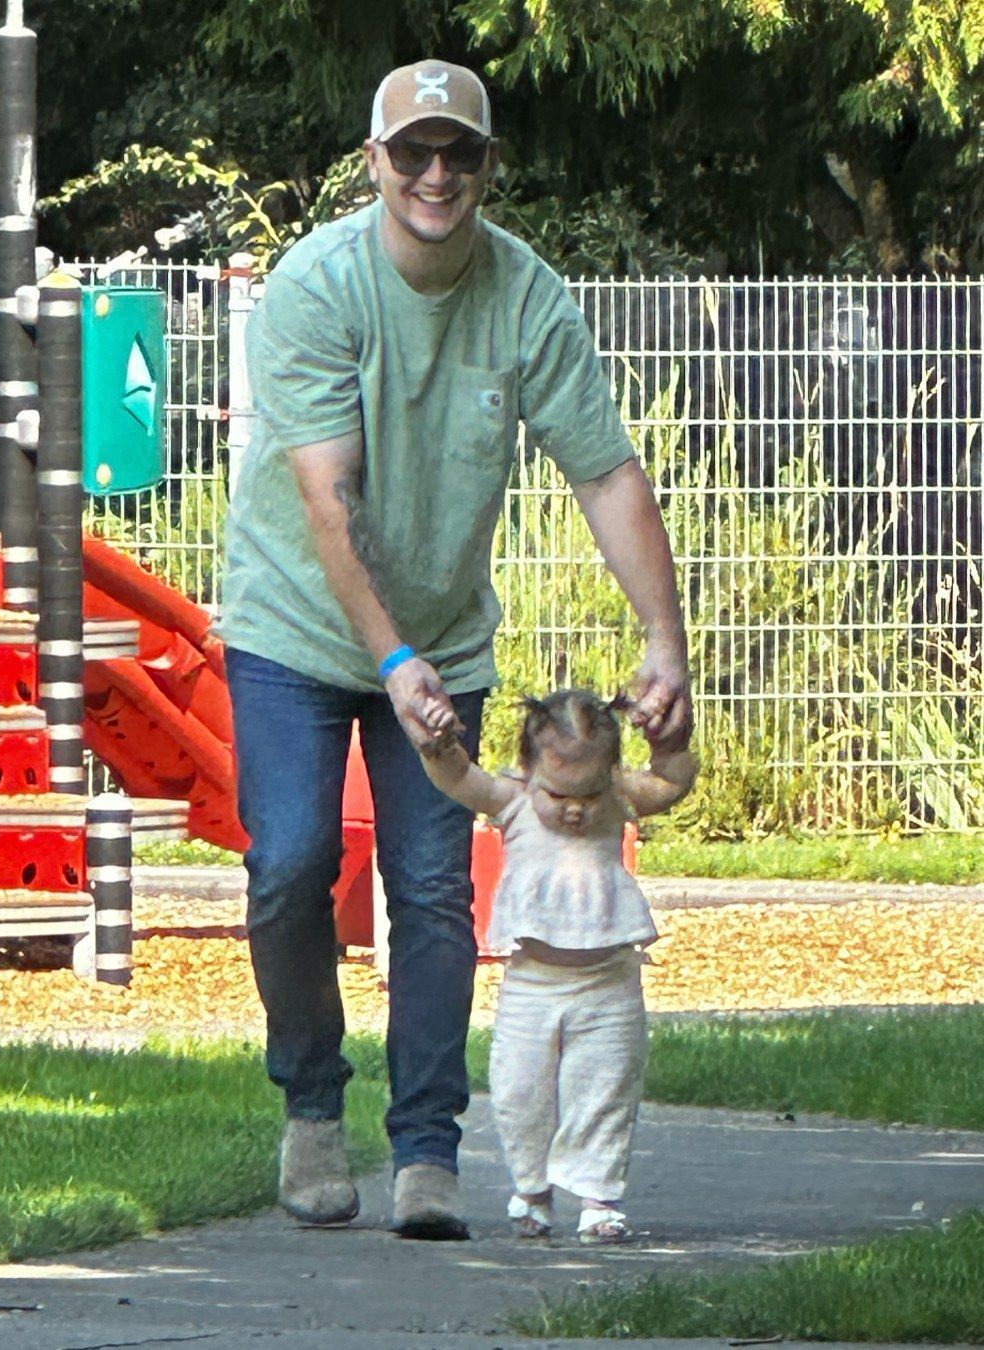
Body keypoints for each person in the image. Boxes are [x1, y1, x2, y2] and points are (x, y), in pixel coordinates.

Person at [220, 57, 692, 1241]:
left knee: (432, 890)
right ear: (374, 163)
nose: (438, 175)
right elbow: (331, 505)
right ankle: (310, 1104)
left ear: (487, 166)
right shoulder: (315, 289)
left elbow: (604, 471)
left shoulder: (526, 296)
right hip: (293, 623)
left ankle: (428, 1148)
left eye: (461, 153)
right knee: (290, 864)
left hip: (444, 637)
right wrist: (390, 660)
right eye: (414, 153)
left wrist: (663, 640)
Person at [420, 689, 697, 1242]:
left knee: (605, 1089)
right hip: (532, 986)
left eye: (590, 793)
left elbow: (671, 783)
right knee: (520, 1091)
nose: (575, 809)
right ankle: (532, 1189)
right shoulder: (515, 801)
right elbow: (459, 780)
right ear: (528, 770)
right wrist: (439, 744)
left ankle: (600, 1197)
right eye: (559, 793)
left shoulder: (618, 799)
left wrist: (672, 742)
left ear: (611, 775)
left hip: (609, 983)